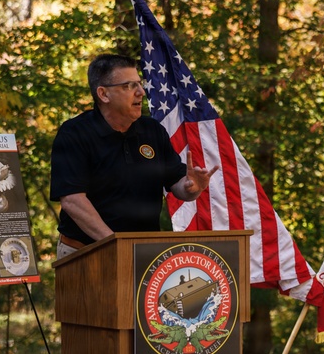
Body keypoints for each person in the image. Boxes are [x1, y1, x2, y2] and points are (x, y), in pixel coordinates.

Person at [50, 54, 217, 259]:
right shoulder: (74, 133)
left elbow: (180, 187)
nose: (141, 92)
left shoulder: (152, 131)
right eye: (129, 86)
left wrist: (192, 187)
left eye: (140, 83)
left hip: (143, 253)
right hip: (85, 253)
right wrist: (115, 244)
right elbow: (73, 200)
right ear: (103, 94)